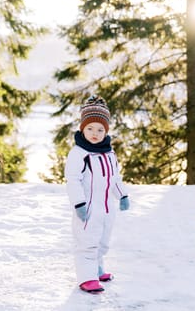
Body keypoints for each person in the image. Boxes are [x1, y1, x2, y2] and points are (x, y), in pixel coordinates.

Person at [64, 95, 130, 294]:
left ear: (106, 131)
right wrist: (79, 204)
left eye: (100, 129)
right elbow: (72, 180)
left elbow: (114, 178)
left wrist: (123, 195)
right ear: (83, 129)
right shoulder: (79, 153)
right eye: (90, 128)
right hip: (89, 208)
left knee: (102, 241)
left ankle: (97, 268)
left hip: (107, 208)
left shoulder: (109, 153)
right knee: (87, 242)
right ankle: (87, 277)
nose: (95, 133)